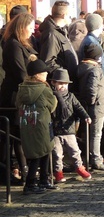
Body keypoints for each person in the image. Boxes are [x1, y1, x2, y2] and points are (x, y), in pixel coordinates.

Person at [0, 12, 37, 185]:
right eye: (30, 28)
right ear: (22, 27)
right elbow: (20, 72)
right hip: (14, 95)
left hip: (24, 92)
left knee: (20, 135)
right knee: (14, 135)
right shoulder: (13, 45)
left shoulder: (23, 43)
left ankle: (24, 171)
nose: (32, 31)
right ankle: (14, 172)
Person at [16, 59, 58, 194]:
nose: (46, 74)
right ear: (38, 75)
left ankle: (43, 180)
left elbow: (18, 105)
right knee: (43, 152)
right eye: (44, 72)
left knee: (37, 153)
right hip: (42, 125)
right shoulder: (44, 89)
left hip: (27, 125)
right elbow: (52, 105)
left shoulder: (22, 88)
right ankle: (31, 183)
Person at [50, 68, 92, 181]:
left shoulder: (71, 96)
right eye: (60, 83)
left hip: (69, 128)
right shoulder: (51, 96)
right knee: (57, 153)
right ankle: (58, 172)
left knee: (75, 150)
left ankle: (79, 167)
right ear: (53, 83)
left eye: (65, 84)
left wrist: (86, 116)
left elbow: (79, 108)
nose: (63, 86)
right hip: (55, 130)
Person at [77, 43, 104, 171]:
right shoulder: (94, 70)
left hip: (91, 106)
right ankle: (96, 160)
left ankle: (93, 157)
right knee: (96, 134)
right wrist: (92, 102)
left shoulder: (82, 67)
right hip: (97, 107)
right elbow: (92, 90)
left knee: (92, 134)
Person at [38, 0, 79, 84]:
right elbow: (48, 62)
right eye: (70, 15)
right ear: (64, 15)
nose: (71, 18)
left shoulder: (61, 31)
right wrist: (63, 75)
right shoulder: (52, 34)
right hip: (61, 83)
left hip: (67, 80)